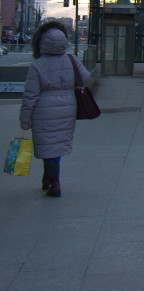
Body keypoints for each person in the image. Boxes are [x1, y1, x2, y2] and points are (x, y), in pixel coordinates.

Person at [18, 20, 90, 198]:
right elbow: (86, 78)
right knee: (55, 145)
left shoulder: (38, 65)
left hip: (43, 110)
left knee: (47, 145)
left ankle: (55, 185)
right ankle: (47, 178)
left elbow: (30, 95)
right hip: (67, 108)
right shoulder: (71, 59)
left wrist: (24, 118)